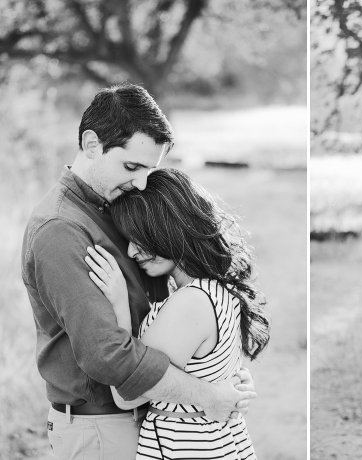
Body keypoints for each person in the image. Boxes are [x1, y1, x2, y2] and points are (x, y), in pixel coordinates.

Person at [21, 83, 255, 460]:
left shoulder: (117, 202)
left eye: (151, 170)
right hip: (101, 426)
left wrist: (217, 374)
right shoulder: (61, 229)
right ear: (92, 144)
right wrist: (207, 394)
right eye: (132, 166)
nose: (142, 182)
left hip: (144, 417)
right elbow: (107, 355)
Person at [86, 168, 269, 459]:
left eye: (138, 238)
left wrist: (119, 304)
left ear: (167, 230)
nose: (132, 252)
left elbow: (126, 395)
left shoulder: (190, 303)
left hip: (186, 446)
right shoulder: (215, 290)